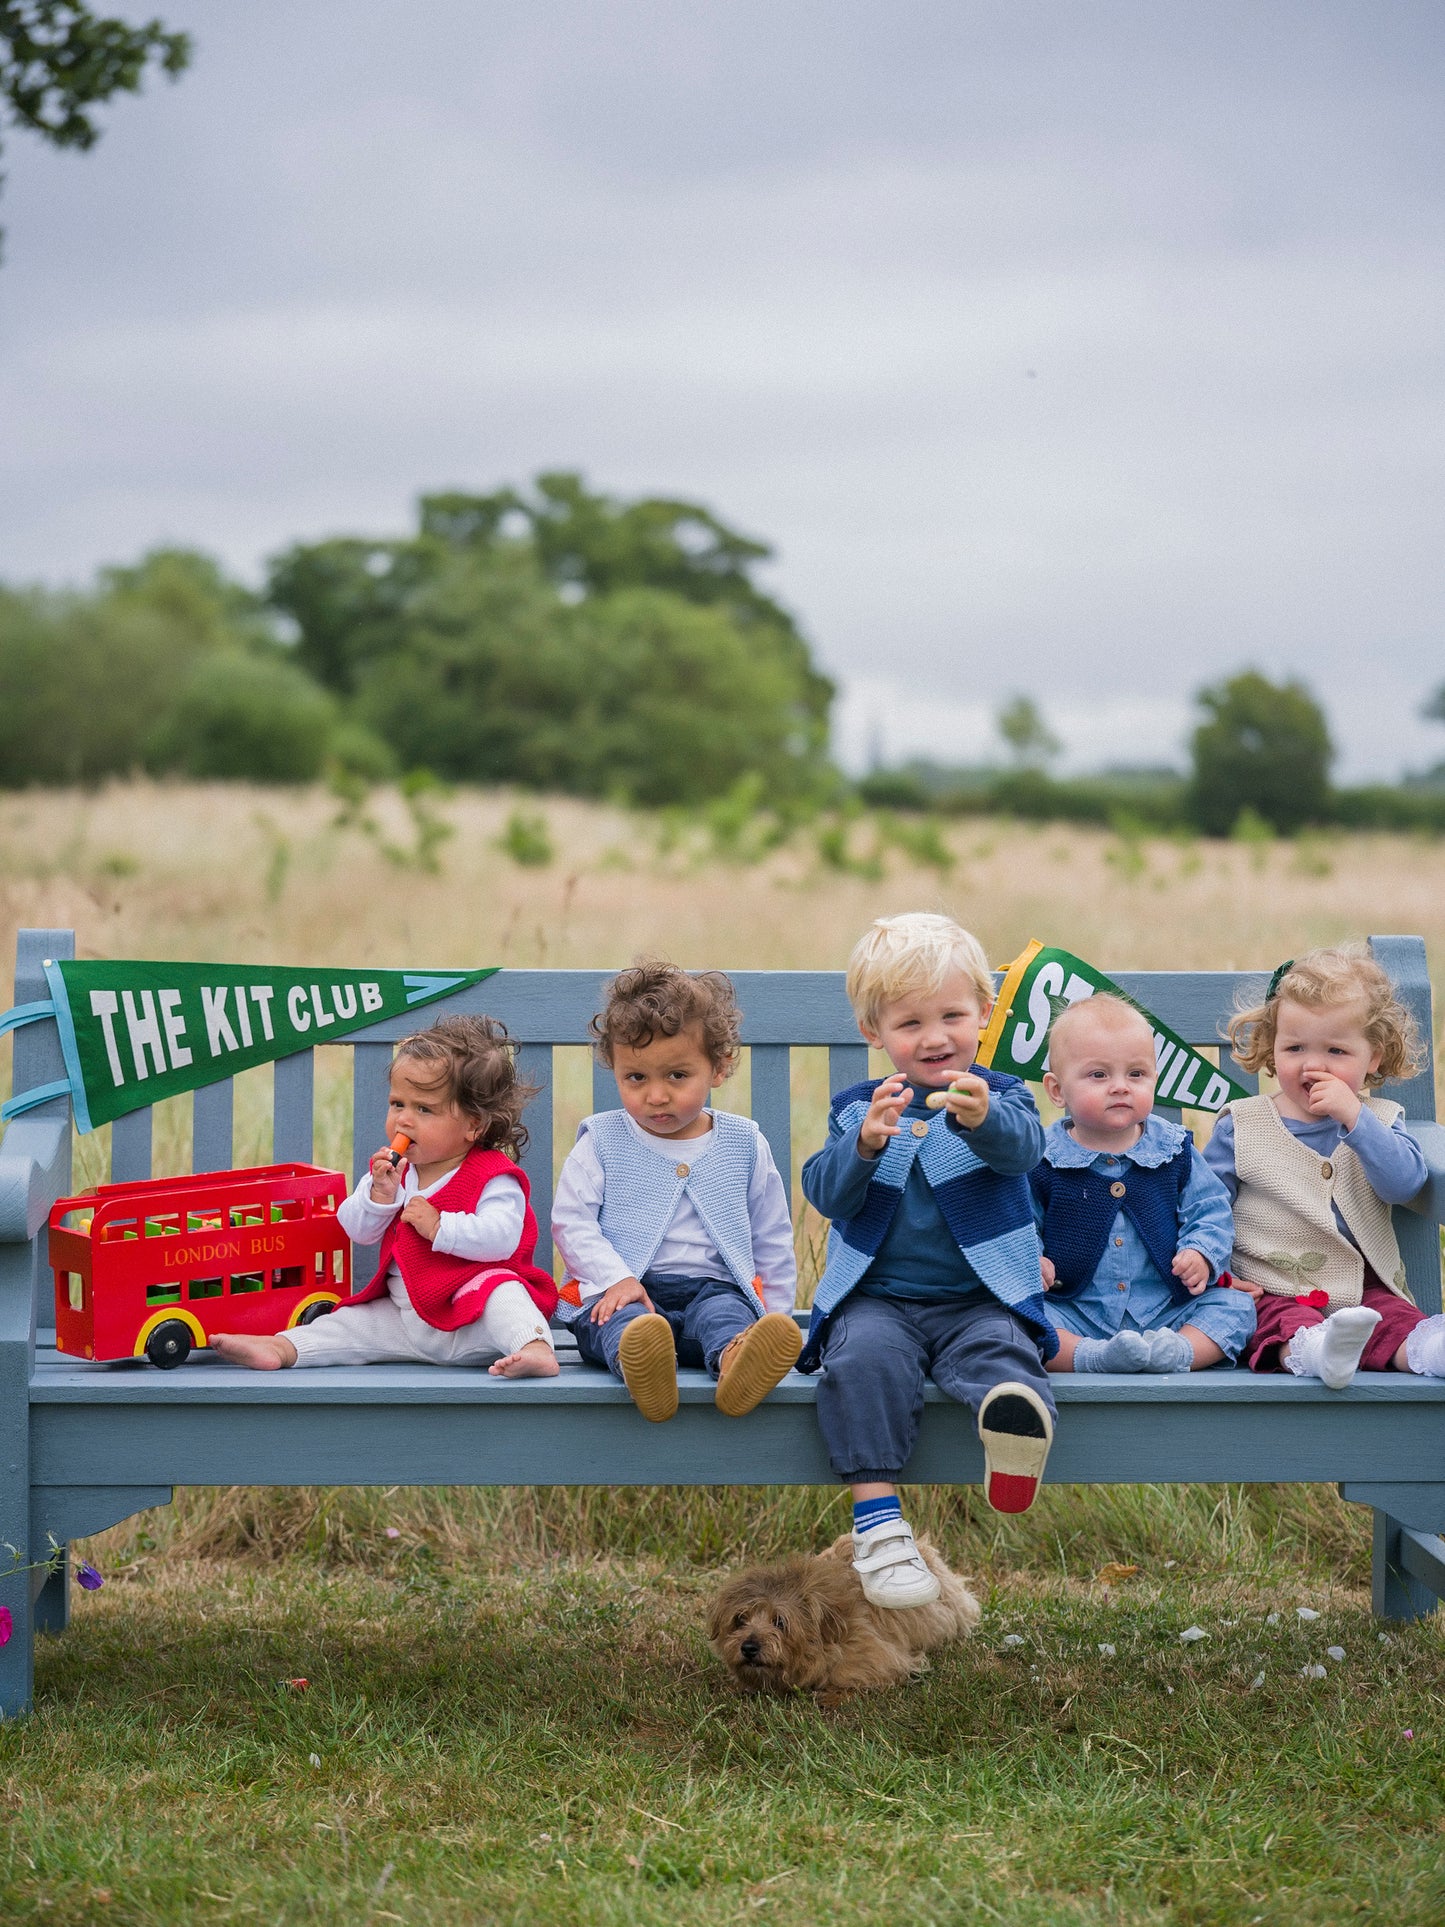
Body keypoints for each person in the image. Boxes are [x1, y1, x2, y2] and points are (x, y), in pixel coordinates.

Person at [799, 912, 1057, 1612]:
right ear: (873, 1033)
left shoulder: (1000, 1097)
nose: (935, 1036)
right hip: (878, 1298)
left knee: (1001, 1351)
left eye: (952, 1014)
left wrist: (981, 1119)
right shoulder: (860, 1108)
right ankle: (880, 1530)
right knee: (860, 1362)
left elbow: (1023, 1153)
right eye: (910, 1022)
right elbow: (824, 1193)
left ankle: (1013, 1433)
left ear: (983, 1016)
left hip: (978, 1295)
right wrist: (864, 1147)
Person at [211, 1015, 559, 1376]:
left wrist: (441, 1227)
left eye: (424, 1109)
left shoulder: (493, 1176)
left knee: (503, 1291)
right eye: (398, 1104)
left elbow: (502, 1239)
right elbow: (356, 1229)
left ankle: (533, 1347)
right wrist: (379, 1197)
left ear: (474, 1125)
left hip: (472, 1321)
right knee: (349, 1321)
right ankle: (282, 1347)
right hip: (404, 1321)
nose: (403, 1121)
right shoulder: (395, 1172)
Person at [552, 961, 799, 1422]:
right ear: (617, 1070)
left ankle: (737, 1364)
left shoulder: (743, 1143)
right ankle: (644, 1370)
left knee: (728, 1317)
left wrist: (775, 1317)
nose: (657, 1096)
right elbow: (572, 1221)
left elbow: (771, 1234)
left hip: (713, 1290)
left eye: (677, 1076)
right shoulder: (603, 1141)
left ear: (719, 1068)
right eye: (636, 1078)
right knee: (622, 1325)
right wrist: (614, 1279)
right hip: (622, 1292)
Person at [1205, 946, 1445, 1388]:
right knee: (1278, 1321)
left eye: (1336, 1050)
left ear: (1373, 1057)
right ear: (1272, 1048)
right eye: (1295, 1047)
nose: (1313, 1064)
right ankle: (1317, 1352)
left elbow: (1405, 1184)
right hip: (1269, 1283)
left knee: (1392, 1319)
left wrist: (1356, 1117)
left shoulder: (1382, 1121)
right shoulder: (1242, 1125)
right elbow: (1205, 1206)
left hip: (1363, 1287)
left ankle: (1428, 1351)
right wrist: (1218, 1276)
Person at [1031, 994, 1249, 1373]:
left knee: (1237, 1307)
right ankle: (1094, 1358)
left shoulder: (1173, 1148)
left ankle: (1179, 1353)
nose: (1120, 1087)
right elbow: (1020, 1219)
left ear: (1154, 1080)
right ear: (1056, 1089)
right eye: (1098, 1075)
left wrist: (1200, 1253)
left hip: (1168, 1309)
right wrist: (1031, 1260)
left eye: (1136, 1074)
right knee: (1023, 1320)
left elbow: (1210, 1208)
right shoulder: (1042, 1157)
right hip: (1075, 1309)